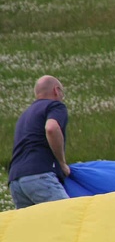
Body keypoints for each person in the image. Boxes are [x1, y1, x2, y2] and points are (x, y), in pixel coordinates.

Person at [7, 75, 71, 209]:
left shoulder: (25, 114)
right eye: (62, 93)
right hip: (40, 176)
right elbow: (51, 128)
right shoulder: (55, 106)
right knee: (68, 217)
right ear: (56, 90)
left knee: (33, 228)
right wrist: (62, 163)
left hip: (15, 180)